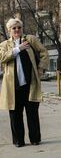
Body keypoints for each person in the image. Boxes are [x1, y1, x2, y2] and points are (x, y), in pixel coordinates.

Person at [0, 18, 49, 147]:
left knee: (32, 112)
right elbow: (2, 58)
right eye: (14, 28)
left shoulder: (30, 39)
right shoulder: (4, 45)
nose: (17, 30)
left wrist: (41, 68)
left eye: (19, 27)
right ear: (9, 30)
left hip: (30, 83)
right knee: (15, 114)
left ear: (22, 28)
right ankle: (18, 141)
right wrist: (18, 49)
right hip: (13, 86)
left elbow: (43, 52)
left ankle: (35, 139)